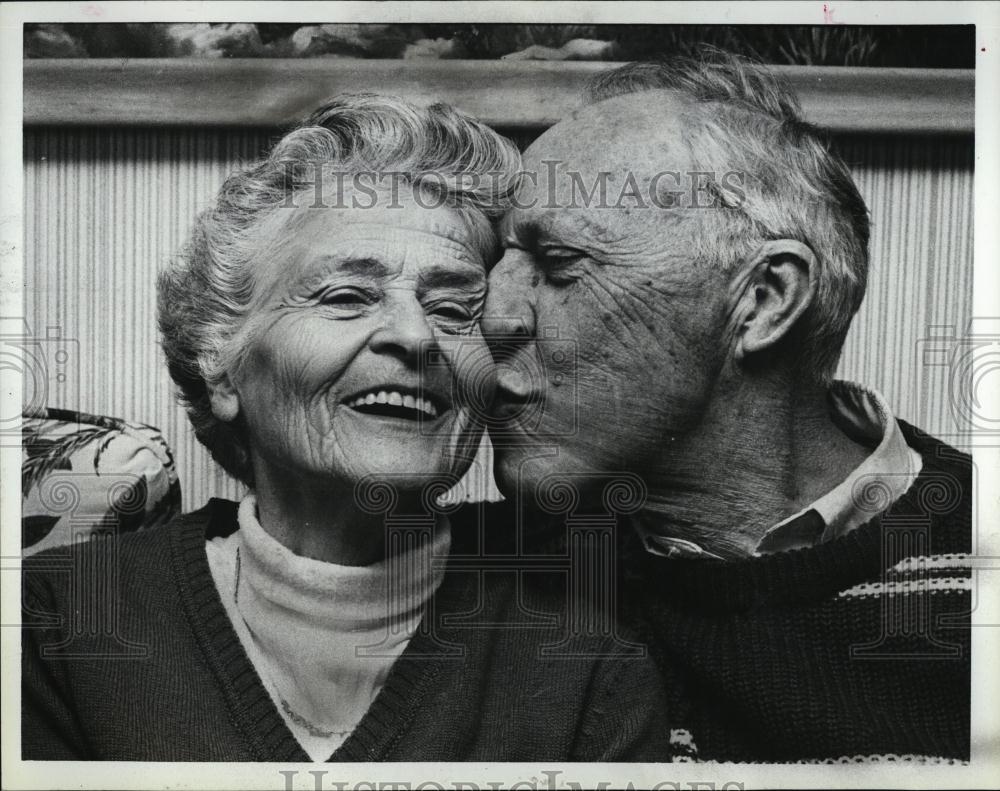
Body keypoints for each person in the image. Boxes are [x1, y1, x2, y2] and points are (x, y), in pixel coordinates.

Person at [22, 94, 671, 762]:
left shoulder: (586, 671)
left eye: (453, 308)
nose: (416, 336)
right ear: (220, 366)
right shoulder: (58, 624)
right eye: (347, 297)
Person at [482, 52, 972, 763]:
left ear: (765, 300)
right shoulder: (481, 571)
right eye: (499, 264)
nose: (494, 317)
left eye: (558, 266)